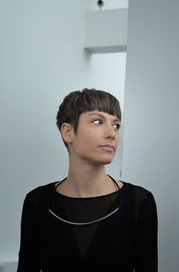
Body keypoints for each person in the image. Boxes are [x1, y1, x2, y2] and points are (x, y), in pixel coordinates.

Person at [17, 88, 158, 272]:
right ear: (68, 132)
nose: (112, 134)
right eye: (98, 121)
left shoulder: (140, 202)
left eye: (116, 125)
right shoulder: (37, 202)